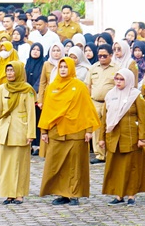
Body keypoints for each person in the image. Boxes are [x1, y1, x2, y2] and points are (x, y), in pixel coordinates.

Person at [39, 58, 100, 206]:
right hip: (56, 131)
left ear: (72, 68)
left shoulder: (79, 86)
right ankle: (61, 193)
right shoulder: (52, 87)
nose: (63, 69)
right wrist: (44, 131)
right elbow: (47, 110)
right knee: (57, 164)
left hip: (76, 131)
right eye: (61, 67)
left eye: (66, 67)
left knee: (75, 165)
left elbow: (86, 109)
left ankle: (74, 193)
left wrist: (88, 130)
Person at [99, 68, 145, 205]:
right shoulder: (110, 95)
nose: (119, 82)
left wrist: (142, 138)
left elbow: (143, 118)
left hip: (131, 136)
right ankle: (118, 194)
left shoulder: (136, 96)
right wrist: (101, 138)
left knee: (131, 166)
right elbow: (104, 119)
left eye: (122, 79)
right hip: (114, 137)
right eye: (117, 79)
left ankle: (131, 195)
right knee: (116, 166)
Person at [0, 61, 36, 204]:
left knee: (20, 163)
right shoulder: (2, 88)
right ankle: (9, 193)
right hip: (5, 130)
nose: (10, 73)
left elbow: (31, 112)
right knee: (6, 164)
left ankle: (19, 194)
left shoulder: (27, 89)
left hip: (21, 130)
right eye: (8, 71)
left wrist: (31, 134)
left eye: (12, 70)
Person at [87, 44, 117, 165]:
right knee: (96, 129)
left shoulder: (117, 69)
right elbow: (88, 85)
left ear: (111, 55)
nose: (102, 58)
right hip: (95, 102)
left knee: (109, 128)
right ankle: (99, 154)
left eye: (105, 56)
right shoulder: (93, 68)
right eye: (100, 56)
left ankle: (110, 153)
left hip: (109, 103)